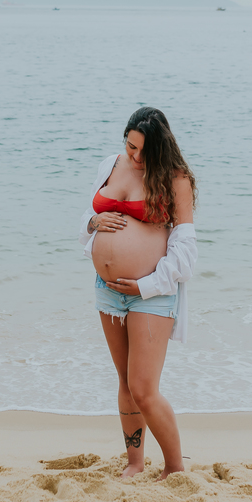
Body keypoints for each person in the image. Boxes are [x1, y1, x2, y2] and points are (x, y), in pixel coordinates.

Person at [79, 106, 197, 481]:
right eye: (131, 146)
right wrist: (93, 222)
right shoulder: (111, 164)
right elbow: (87, 219)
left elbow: (185, 251)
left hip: (152, 293)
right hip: (108, 290)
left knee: (144, 388)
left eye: (144, 151)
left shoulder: (175, 179)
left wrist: (145, 285)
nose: (135, 156)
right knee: (126, 383)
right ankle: (135, 462)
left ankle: (176, 468)